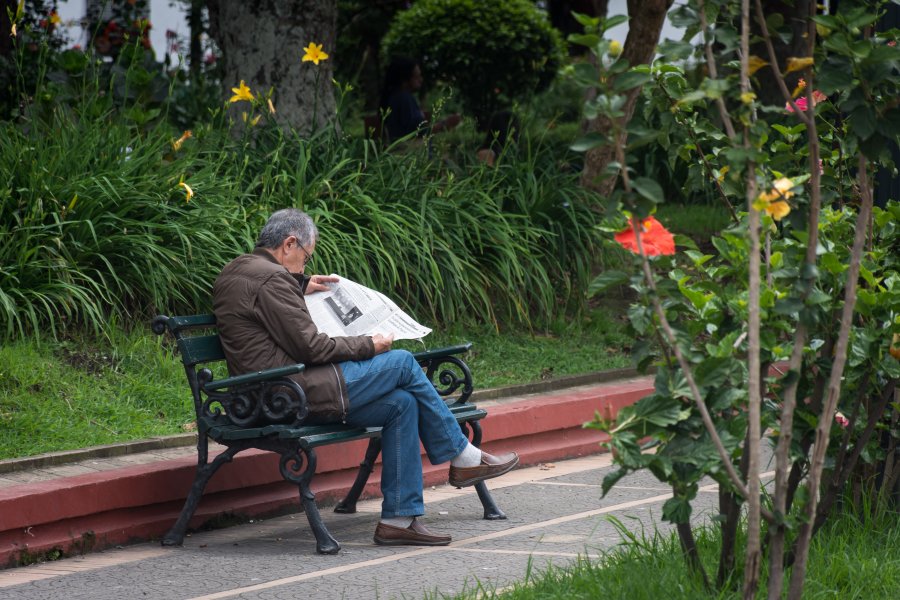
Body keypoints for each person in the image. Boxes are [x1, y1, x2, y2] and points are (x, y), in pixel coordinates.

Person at [212, 208, 519, 546]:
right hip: (289, 394)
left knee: (401, 404)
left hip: (270, 391)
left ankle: (398, 520)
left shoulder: (240, 269)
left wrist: (299, 284)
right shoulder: (272, 279)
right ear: (289, 244)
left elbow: (263, 307)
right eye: (305, 258)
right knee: (401, 361)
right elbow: (311, 348)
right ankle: (463, 456)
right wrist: (369, 344)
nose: (305, 266)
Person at [380, 56, 461, 141]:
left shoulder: (396, 97)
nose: (421, 80)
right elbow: (419, 132)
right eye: (417, 77)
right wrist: (446, 123)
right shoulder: (404, 99)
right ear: (404, 79)